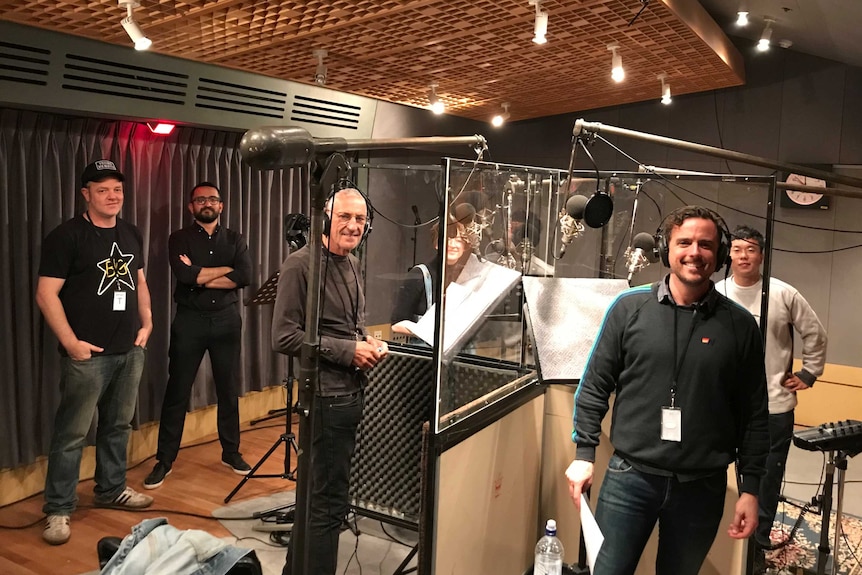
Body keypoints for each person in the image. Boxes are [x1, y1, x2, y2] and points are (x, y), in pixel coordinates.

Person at [565, 205, 769, 575]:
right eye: (685, 242)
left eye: (706, 244)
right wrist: (584, 453)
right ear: (666, 249)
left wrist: (750, 488)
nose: (695, 252)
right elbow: (594, 384)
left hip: (702, 487)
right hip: (630, 478)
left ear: (719, 254)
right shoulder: (629, 309)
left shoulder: (740, 326)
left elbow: (754, 415)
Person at [36, 159, 154, 545]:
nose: (112, 196)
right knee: (72, 433)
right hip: (87, 356)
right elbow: (46, 294)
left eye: (117, 189)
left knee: (117, 426)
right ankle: (58, 507)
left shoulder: (131, 232)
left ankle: (111, 488)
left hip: (129, 350)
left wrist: (147, 322)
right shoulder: (66, 236)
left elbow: (138, 280)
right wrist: (71, 343)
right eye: (102, 189)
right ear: (85, 194)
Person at [271, 187, 389, 575]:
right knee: (326, 506)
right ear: (325, 218)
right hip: (324, 399)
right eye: (345, 217)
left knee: (319, 501)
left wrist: (365, 342)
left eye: (360, 219)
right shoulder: (300, 265)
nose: (353, 226)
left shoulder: (351, 262)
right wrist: (347, 351)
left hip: (349, 395)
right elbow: (284, 336)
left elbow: (343, 329)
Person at [716, 225, 827, 568]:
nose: (743, 256)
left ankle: (757, 543)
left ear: (762, 255)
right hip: (721, 404)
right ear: (729, 255)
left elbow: (815, 333)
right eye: (737, 249)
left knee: (766, 476)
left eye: (751, 250)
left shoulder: (782, 293)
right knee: (718, 471)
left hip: (774, 405)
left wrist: (809, 373)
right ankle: (722, 539)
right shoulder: (716, 291)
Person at [144, 182, 253, 489]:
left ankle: (231, 453)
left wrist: (201, 276)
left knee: (228, 390)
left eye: (213, 199)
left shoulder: (235, 238)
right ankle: (164, 460)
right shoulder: (178, 238)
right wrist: (223, 271)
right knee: (177, 392)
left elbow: (244, 276)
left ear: (221, 206)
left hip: (227, 322)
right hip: (189, 322)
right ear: (191, 207)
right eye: (200, 199)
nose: (207, 203)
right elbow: (184, 275)